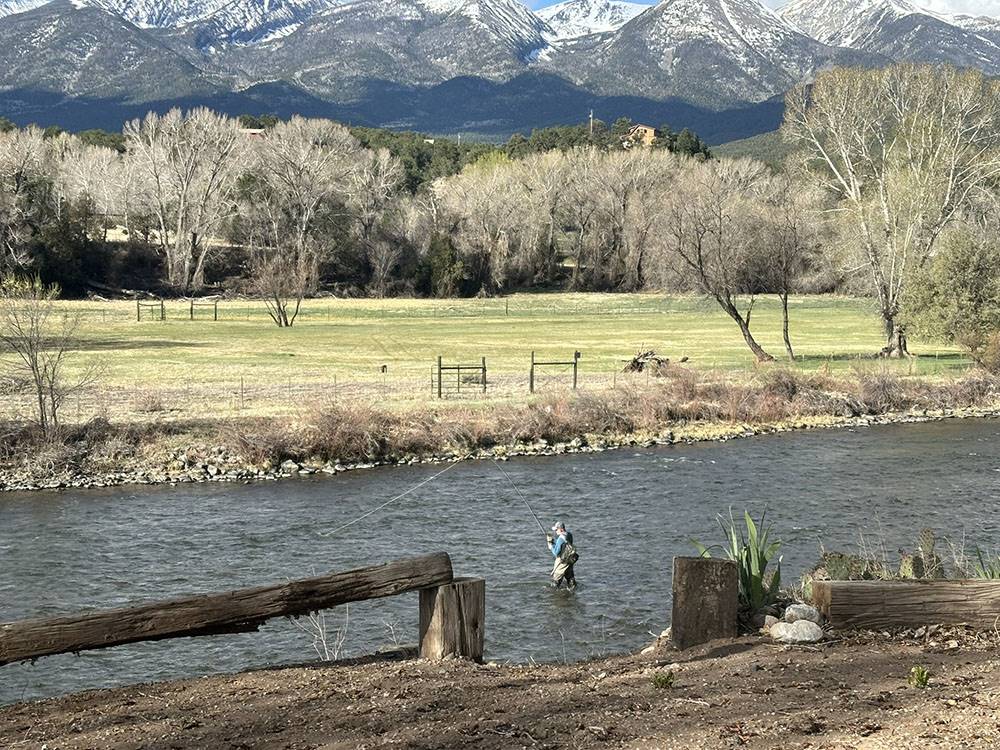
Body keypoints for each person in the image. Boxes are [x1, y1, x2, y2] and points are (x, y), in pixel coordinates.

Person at [546, 521, 578, 590]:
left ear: (561, 529)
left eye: (556, 529)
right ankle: (573, 593)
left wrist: (550, 545)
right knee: (571, 581)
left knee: (555, 584)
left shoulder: (560, 539)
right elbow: (564, 545)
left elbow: (556, 553)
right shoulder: (569, 535)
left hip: (562, 562)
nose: (555, 531)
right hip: (569, 561)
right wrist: (554, 542)